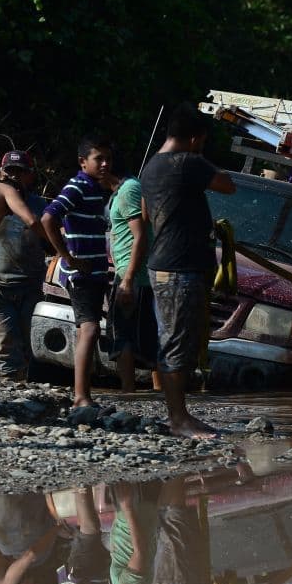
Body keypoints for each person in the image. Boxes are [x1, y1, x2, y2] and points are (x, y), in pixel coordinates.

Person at [141, 102, 235, 438]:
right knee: (178, 343)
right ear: (196, 139)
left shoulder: (151, 167)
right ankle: (178, 419)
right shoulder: (188, 162)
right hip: (180, 267)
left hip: (164, 264)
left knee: (174, 339)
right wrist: (201, 159)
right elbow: (227, 185)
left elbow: (146, 213)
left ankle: (178, 415)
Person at [42, 137, 116, 407]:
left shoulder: (94, 188)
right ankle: (81, 397)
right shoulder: (78, 186)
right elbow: (48, 217)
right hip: (81, 274)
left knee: (88, 329)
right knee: (90, 329)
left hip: (94, 273)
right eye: (99, 159)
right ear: (82, 162)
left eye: (108, 158)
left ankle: (84, 394)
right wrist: (67, 257)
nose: (105, 164)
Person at [0, 150, 49, 381]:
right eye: (10, 171)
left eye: (20, 171)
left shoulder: (40, 206)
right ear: (1, 173)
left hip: (31, 287)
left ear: (30, 175)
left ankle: (31, 392)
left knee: (35, 346)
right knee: (6, 348)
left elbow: (49, 230)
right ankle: (12, 395)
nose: (15, 176)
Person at [107, 170, 159, 392]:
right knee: (148, 337)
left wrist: (127, 280)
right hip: (136, 274)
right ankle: (160, 395)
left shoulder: (128, 190)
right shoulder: (121, 192)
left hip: (133, 275)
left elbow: (140, 236)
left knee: (123, 335)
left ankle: (128, 392)